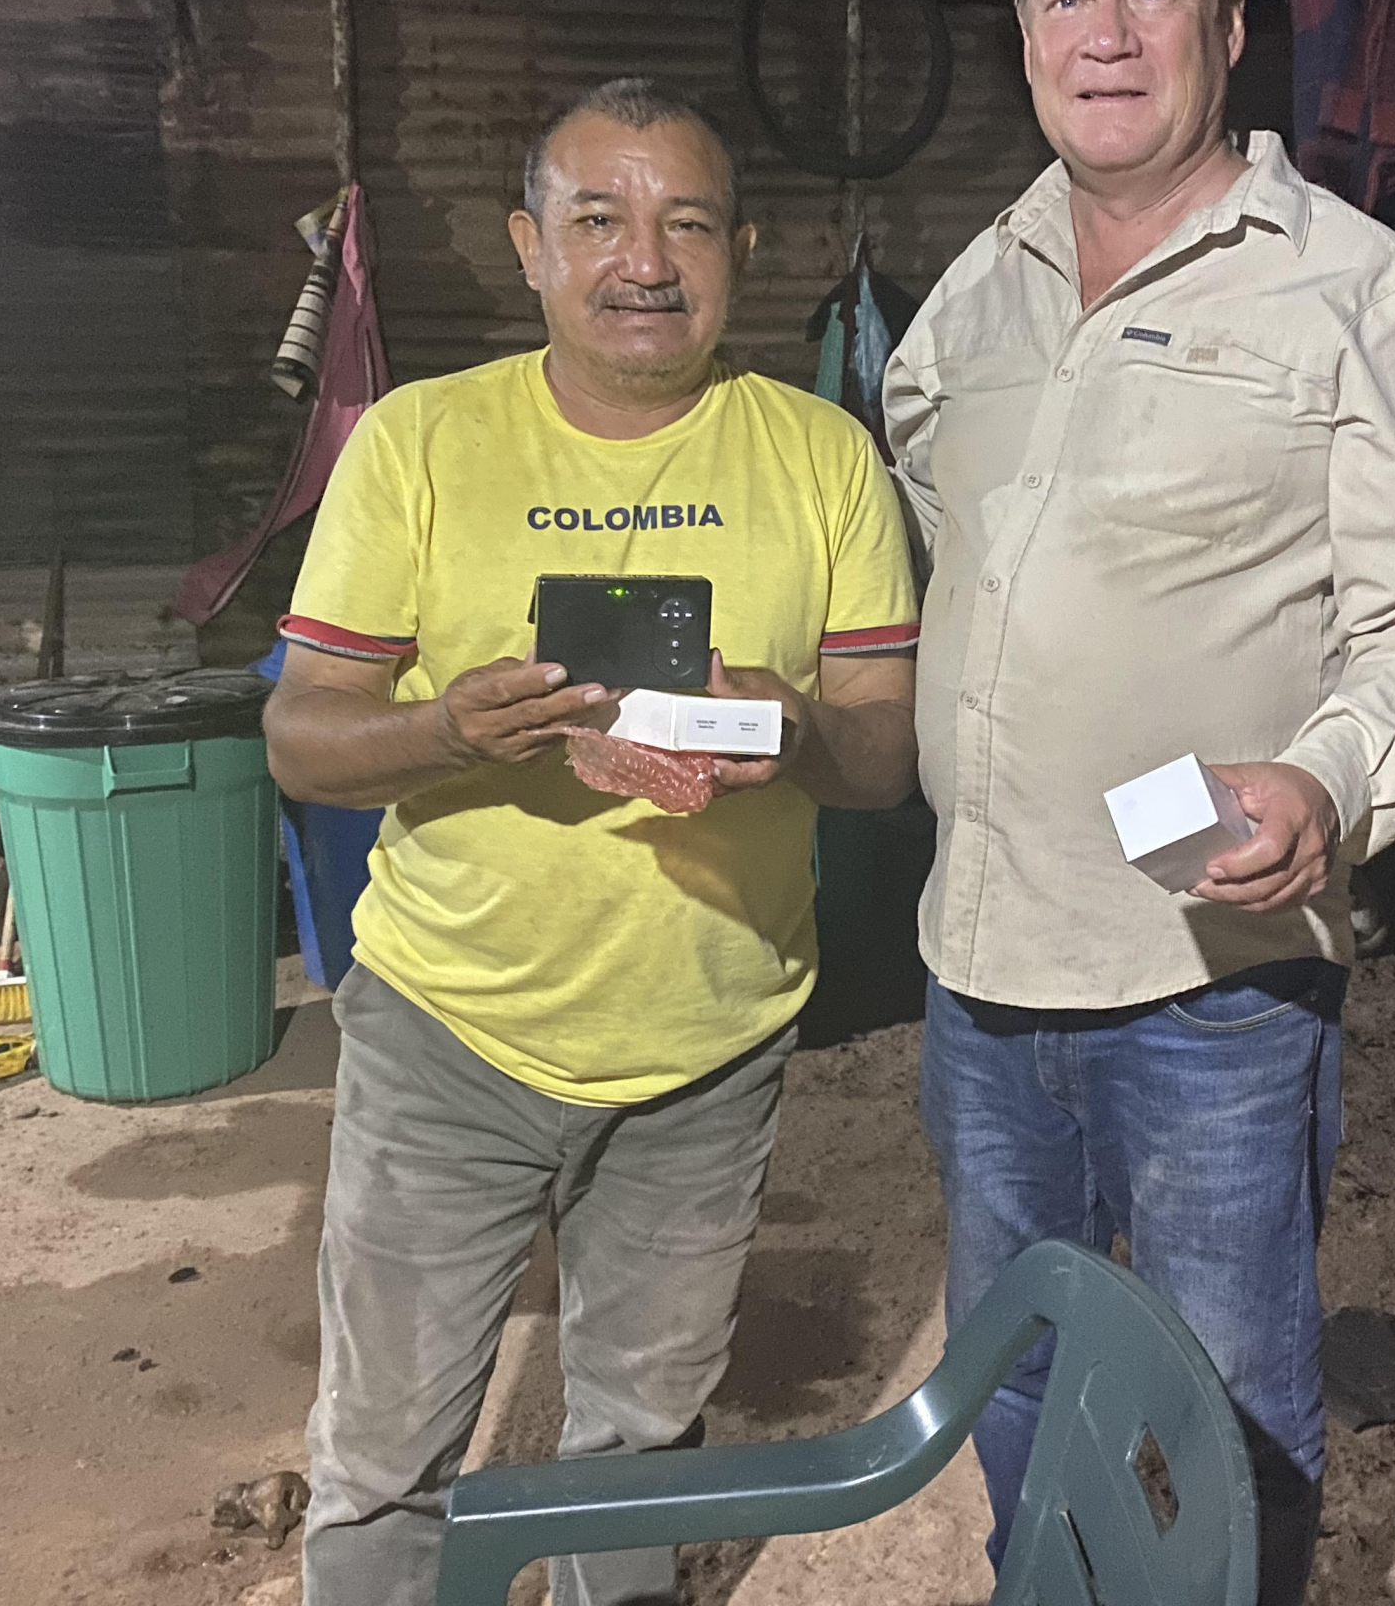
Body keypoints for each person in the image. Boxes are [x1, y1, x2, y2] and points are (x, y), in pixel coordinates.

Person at [882, 0, 1395, 1604]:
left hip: (1209, 990)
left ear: (1228, 24)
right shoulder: (975, 289)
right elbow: (950, 538)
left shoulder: (1352, 287)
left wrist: (1332, 777)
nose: (1104, 34)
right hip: (981, 969)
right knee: (1012, 1376)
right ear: (1023, 38)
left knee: (1229, 1416)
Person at [266, 77, 920, 1606]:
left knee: (640, 1445)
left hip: (709, 1049)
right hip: (450, 1032)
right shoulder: (421, 444)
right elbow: (300, 737)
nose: (643, 261)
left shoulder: (825, 458)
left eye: (686, 225)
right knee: (384, 1454)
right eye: (599, 219)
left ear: (741, 253)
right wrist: (446, 730)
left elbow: (885, 762)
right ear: (530, 246)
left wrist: (793, 730)